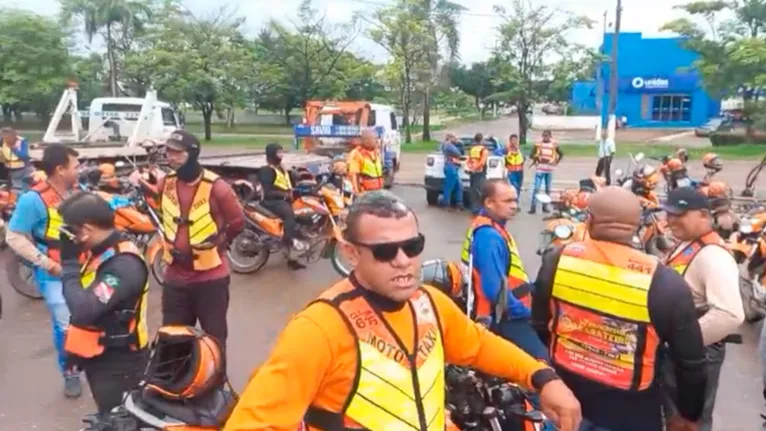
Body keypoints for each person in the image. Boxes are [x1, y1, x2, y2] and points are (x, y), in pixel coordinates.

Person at [224, 190, 583, 431]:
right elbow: (256, 421)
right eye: (384, 251)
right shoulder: (319, 329)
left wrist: (542, 377)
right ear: (351, 254)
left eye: (412, 246)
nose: (403, 261)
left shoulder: (429, 303)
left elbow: (477, 345)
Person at [532, 186, 708, 431]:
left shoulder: (558, 260)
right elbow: (690, 363)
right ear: (636, 226)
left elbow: (541, 324)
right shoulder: (665, 283)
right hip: (632, 411)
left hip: (567, 399)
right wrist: (689, 414)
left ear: (590, 220)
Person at [57, 192, 149, 421]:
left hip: (120, 364)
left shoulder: (122, 265)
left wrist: (68, 264)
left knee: (119, 421)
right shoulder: (101, 252)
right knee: (108, 417)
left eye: (72, 231)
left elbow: (82, 309)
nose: (70, 237)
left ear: (87, 229)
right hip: (100, 354)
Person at [661, 186, 744, 431]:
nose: (672, 220)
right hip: (681, 350)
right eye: (669, 214)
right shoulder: (689, 244)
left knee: (690, 422)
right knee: (674, 419)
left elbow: (729, 314)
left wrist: (684, 341)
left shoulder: (713, 255)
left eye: (680, 214)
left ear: (704, 216)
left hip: (695, 354)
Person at [157, 129, 245, 354]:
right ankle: (177, 384)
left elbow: (237, 222)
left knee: (214, 338)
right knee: (172, 337)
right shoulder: (165, 184)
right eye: (168, 152)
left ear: (193, 154)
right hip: (175, 276)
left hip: (210, 278)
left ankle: (216, 382)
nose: (171, 157)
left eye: (177, 153)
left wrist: (218, 245)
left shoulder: (218, 188)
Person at [6, 143, 82, 397]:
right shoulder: (33, 199)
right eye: (76, 166)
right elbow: (14, 237)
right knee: (65, 324)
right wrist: (47, 263)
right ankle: (70, 371)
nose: (79, 170)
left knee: (87, 318)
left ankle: (90, 361)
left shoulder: (76, 192)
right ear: (60, 169)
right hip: (54, 272)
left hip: (83, 266)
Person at [460, 179, 547, 360]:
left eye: (515, 200)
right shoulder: (489, 236)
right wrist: (525, 314)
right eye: (507, 201)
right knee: (542, 362)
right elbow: (495, 290)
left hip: (506, 309)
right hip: (503, 315)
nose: (514, 206)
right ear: (489, 202)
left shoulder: (491, 227)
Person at [257, 142, 309, 267]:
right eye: (278, 152)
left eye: (282, 152)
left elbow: (288, 182)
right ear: (271, 154)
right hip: (271, 201)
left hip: (285, 199)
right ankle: (287, 242)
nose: (281, 155)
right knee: (289, 215)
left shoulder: (281, 168)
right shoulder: (266, 171)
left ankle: (297, 245)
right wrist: (284, 195)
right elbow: (268, 191)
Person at [529, 130, 563, 214]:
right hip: (540, 169)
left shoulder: (554, 144)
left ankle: (545, 207)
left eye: (547, 136)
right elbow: (531, 155)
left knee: (547, 189)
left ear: (550, 136)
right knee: (536, 188)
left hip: (549, 169)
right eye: (544, 136)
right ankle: (533, 207)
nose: (545, 137)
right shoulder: (538, 144)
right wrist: (537, 158)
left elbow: (561, 154)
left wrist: (556, 162)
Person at [347, 129, 384, 193]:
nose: (377, 141)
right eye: (374, 139)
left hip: (377, 192)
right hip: (365, 194)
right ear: (367, 141)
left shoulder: (376, 153)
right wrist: (357, 193)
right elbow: (353, 176)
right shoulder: (357, 154)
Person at [1, 127, 33, 191]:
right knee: (15, 187)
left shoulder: (22, 141)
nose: (6, 137)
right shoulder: (2, 140)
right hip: (10, 169)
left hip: (24, 169)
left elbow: (24, 155)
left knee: (24, 187)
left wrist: (13, 147)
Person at [465, 133, 488, 214]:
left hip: (472, 172)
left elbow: (468, 160)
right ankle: (479, 208)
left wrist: (471, 168)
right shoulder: (483, 150)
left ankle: (473, 207)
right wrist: (476, 168)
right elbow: (482, 162)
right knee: (480, 190)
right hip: (480, 171)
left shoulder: (472, 149)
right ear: (482, 140)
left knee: (473, 189)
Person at [440, 132, 464, 209]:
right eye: (454, 138)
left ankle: (459, 203)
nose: (456, 139)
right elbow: (458, 154)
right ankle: (446, 203)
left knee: (459, 186)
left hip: (452, 167)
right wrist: (459, 144)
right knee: (449, 186)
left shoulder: (446, 145)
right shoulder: (448, 145)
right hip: (451, 167)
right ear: (450, 138)